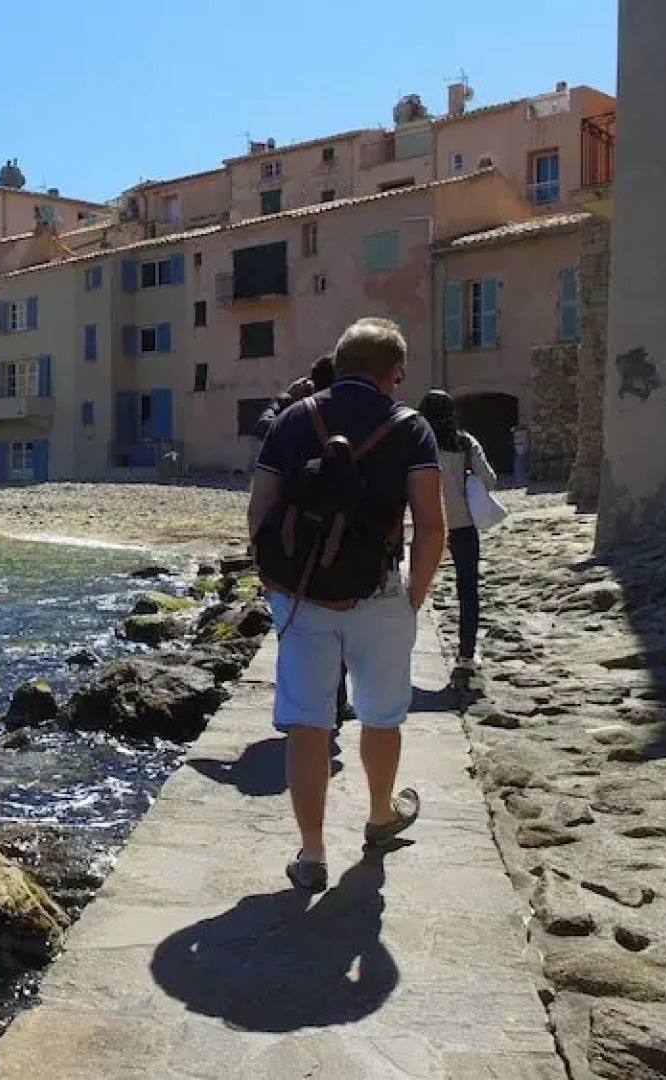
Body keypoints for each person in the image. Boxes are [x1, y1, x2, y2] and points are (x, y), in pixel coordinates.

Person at [250, 317, 446, 892]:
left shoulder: (292, 419)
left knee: (308, 723)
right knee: (382, 715)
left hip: (305, 595)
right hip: (380, 589)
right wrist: (413, 596)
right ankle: (380, 816)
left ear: (338, 362)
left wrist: (278, 587)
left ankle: (312, 854)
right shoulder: (410, 427)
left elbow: (259, 513)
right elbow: (431, 528)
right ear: (395, 373)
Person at [254, 355, 355, 725]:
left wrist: (284, 398)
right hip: (341, 530)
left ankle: (303, 705)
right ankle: (339, 701)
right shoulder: (355, 416)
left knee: (296, 623)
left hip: (294, 529)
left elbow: (263, 426)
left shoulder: (295, 418)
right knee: (337, 617)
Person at [417, 390, 495, 689]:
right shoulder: (464, 442)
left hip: (425, 525)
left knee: (415, 590)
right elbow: (489, 480)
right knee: (468, 591)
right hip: (461, 524)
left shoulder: (417, 444)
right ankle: (465, 656)